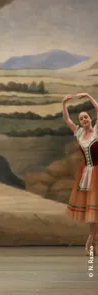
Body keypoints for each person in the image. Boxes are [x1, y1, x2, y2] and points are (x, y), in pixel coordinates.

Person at [63, 93, 98, 256]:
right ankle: (93, 238)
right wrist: (64, 104)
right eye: (81, 119)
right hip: (88, 174)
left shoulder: (96, 130)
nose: (84, 120)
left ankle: (92, 239)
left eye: (86, 117)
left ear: (90, 118)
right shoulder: (79, 133)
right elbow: (67, 120)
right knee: (91, 213)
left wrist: (88, 96)